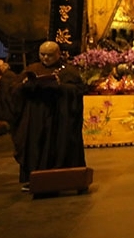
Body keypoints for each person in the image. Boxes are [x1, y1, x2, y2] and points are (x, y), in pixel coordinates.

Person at [11, 42, 87, 191]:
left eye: (49, 55)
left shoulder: (68, 71)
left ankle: (64, 179)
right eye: (42, 54)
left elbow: (78, 90)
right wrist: (25, 85)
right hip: (36, 117)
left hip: (60, 118)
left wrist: (60, 86)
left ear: (58, 54)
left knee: (60, 146)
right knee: (35, 146)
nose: (45, 58)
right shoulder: (32, 69)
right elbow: (15, 90)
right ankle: (34, 179)